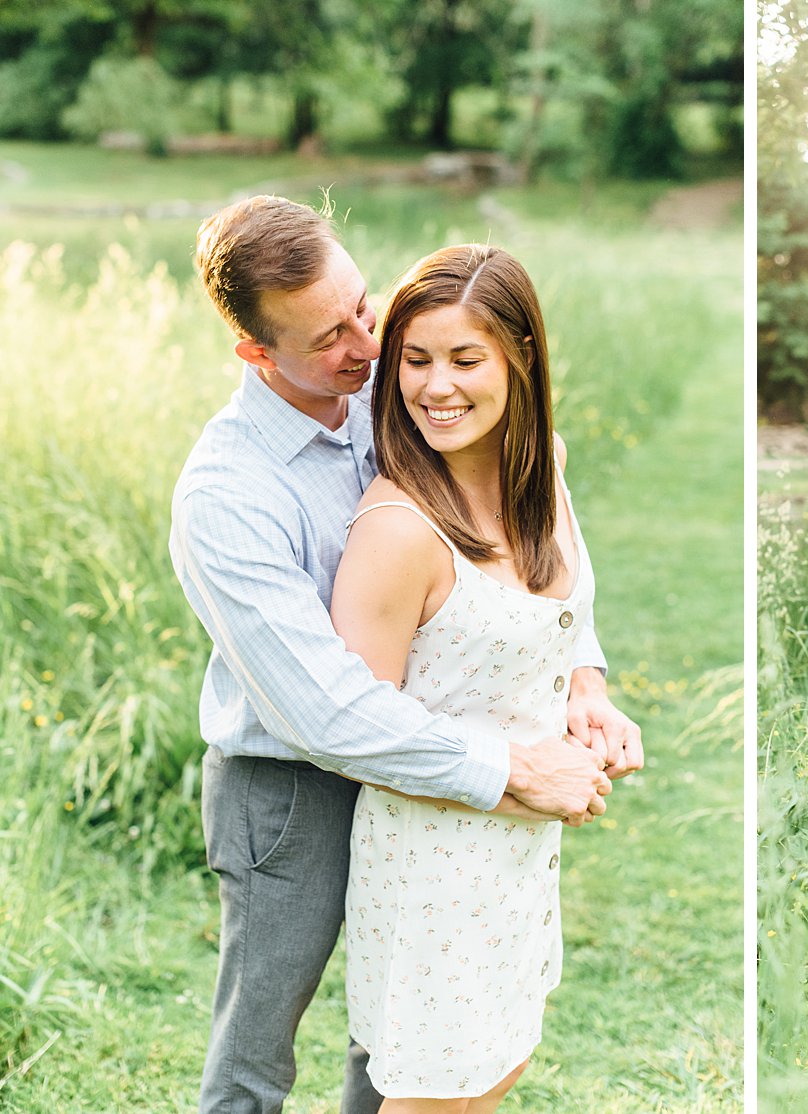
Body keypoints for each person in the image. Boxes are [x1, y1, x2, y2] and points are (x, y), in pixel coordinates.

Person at [170, 195, 642, 1114]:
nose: (365, 342)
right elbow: (328, 713)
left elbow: (513, 560)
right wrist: (512, 768)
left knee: (394, 1029)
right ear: (257, 354)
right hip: (290, 789)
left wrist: (584, 675)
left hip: (426, 780)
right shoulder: (226, 495)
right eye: (327, 336)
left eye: (361, 305)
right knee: (259, 1047)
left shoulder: (394, 392)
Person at [332, 243, 593, 1109]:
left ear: (522, 356)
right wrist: (531, 786)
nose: (436, 386)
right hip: (431, 876)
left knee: (497, 1077)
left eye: (464, 358)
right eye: (414, 360)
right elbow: (359, 735)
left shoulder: (541, 469)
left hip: (520, 865)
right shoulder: (398, 532)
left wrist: (591, 694)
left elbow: (564, 617)